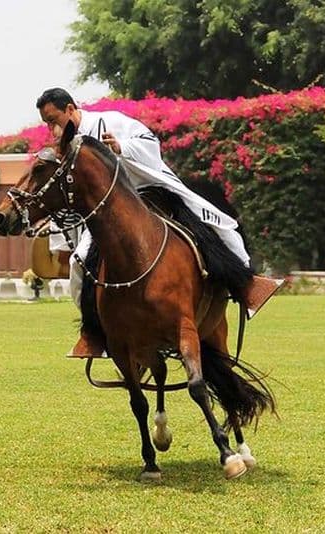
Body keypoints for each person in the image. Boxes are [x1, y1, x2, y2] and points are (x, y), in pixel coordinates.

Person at [35, 88, 283, 357]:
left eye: (54, 120)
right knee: (79, 261)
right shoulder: (67, 149)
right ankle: (94, 332)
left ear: (70, 109)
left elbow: (150, 142)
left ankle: (246, 286)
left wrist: (121, 147)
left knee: (208, 227)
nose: (51, 128)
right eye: (47, 123)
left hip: (151, 192)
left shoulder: (112, 121)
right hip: (109, 213)